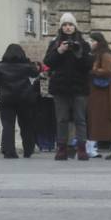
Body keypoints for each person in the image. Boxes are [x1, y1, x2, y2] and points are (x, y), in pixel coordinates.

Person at [43, 13, 94, 161]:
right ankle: (62, 148)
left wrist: (79, 53)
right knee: (62, 119)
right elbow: (48, 62)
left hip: (79, 86)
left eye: (70, 24)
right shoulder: (55, 43)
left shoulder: (83, 44)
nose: (68, 27)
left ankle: (82, 149)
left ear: (75, 27)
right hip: (60, 87)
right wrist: (59, 51)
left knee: (80, 118)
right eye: (65, 25)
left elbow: (89, 65)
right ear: (61, 27)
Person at [0, 44, 39, 159]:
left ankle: (9, 151)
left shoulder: (0, 66)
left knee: (8, 125)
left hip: (6, 99)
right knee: (26, 124)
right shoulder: (26, 66)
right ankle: (28, 150)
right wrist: (28, 61)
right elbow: (35, 73)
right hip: (25, 99)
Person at [86, 32, 111, 160]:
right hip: (99, 93)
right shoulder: (97, 54)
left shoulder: (105, 54)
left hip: (106, 93)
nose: (91, 43)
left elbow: (108, 71)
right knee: (101, 120)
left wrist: (93, 71)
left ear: (99, 42)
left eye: (92, 41)